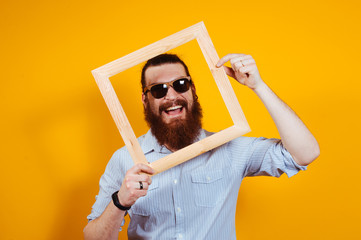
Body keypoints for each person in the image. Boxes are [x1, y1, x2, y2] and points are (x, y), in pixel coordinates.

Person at [84, 53, 319, 240]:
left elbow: (305, 153)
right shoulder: (125, 160)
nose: (171, 95)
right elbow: (93, 238)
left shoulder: (230, 149)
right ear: (146, 100)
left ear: (192, 91)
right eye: (158, 89)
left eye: (180, 84)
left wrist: (258, 86)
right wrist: (120, 201)